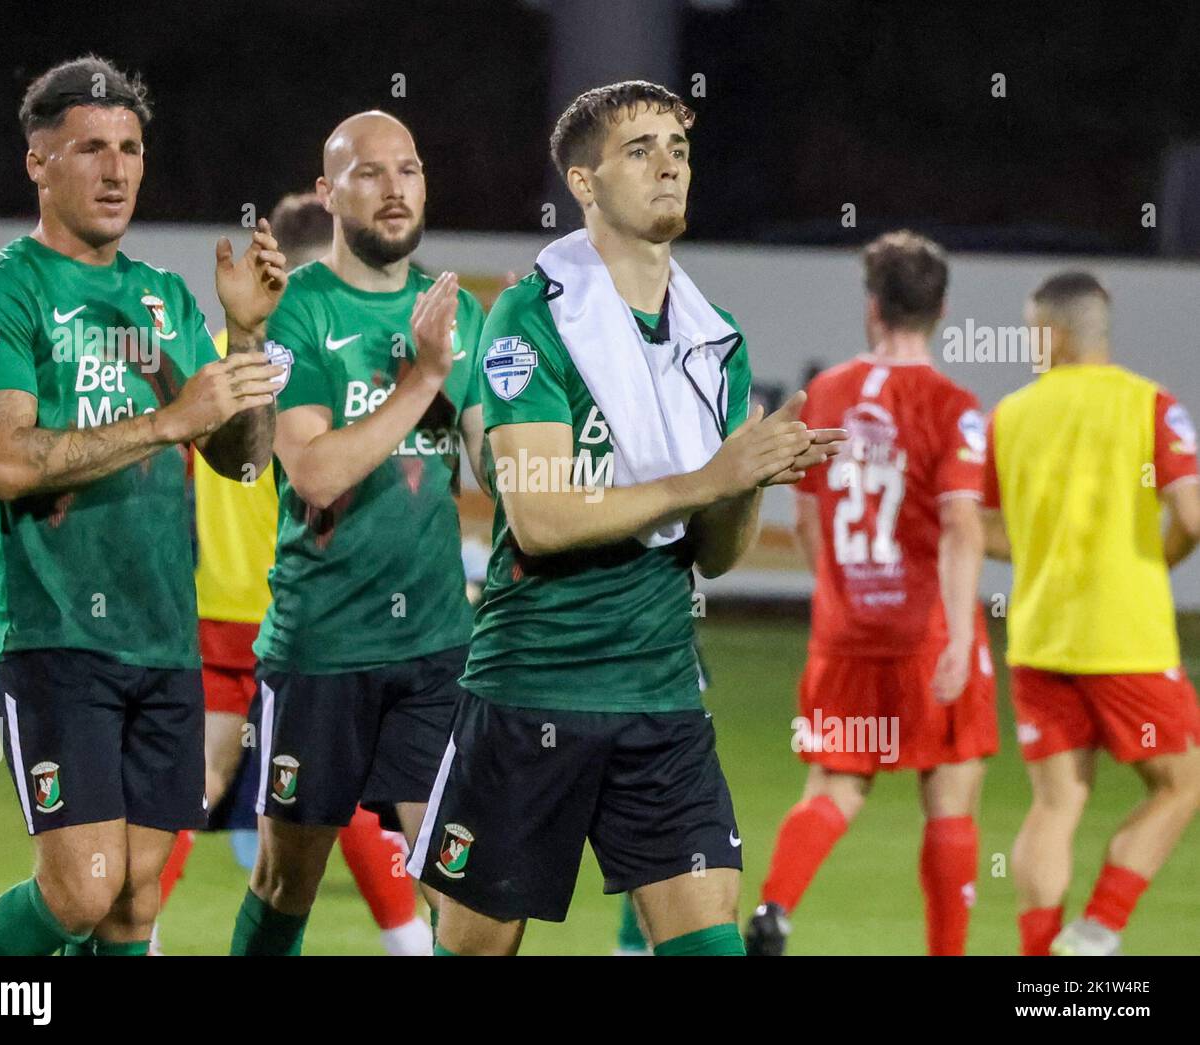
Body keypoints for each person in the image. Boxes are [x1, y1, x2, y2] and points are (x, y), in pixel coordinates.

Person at [409, 80, 843, 956]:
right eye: (639, 150)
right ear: (583, 182)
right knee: (476, 945)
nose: (669, 165)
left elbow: (716, 557)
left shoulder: (713, 337)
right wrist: (704, 477)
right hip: (533, 688)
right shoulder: (531, 317)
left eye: (677, 149)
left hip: (660, 698)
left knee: (706, 938)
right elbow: (538, 518)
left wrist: (749, 480)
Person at [0, 55, 286, 956]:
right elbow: (8, 462)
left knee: (136, 904)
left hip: (160, 635)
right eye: (91, 147)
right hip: (50, 632)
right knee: (81, 889)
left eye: (130, 147)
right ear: (37, 162)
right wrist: (169, 416)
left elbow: (242, 461)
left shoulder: (164, 298)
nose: (117, 168)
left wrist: (246, 337)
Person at [229, 112, 488, 955]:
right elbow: (314, 472)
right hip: (320, 651)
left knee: (467, 893)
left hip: (436, 650)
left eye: (408, 170)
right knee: (284, 882)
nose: (393, 188)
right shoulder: (296, 310)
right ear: (327, 192)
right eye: (369, 172)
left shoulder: (457, 313)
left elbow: (498, 470)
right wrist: (422, 381)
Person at [157, 193, 430, 955]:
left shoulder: (220, 348)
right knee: (339, 788)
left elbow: (182, 466)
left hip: (220, 604)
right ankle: (410, 940)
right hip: (310, 610)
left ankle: (137, 931)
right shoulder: (328, 353)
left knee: (203, 779)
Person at [745, 230, 997, 956]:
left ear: (873, 308)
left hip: (847, 633)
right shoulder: (953, 406)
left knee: (834, 786)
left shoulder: (827, 391)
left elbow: (807, 515)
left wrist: (838, 599)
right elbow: (958, 524)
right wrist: (954, 632)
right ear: (941, 309)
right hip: (927, 635)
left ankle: (775, 909)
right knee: (950, 796)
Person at [982, 271, 1200, 956]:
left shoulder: (1010, 414)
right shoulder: (1151, 406)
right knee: (1182, 782)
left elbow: (987, 530)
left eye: (1029, 331)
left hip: (1041, 640)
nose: (1027, 345)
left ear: (1055, 333)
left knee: (1055, 805)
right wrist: (1155, 558)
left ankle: (1041, 960)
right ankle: (1098, 927)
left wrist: (1045, 551)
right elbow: (1192, 514)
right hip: (1126, 642)